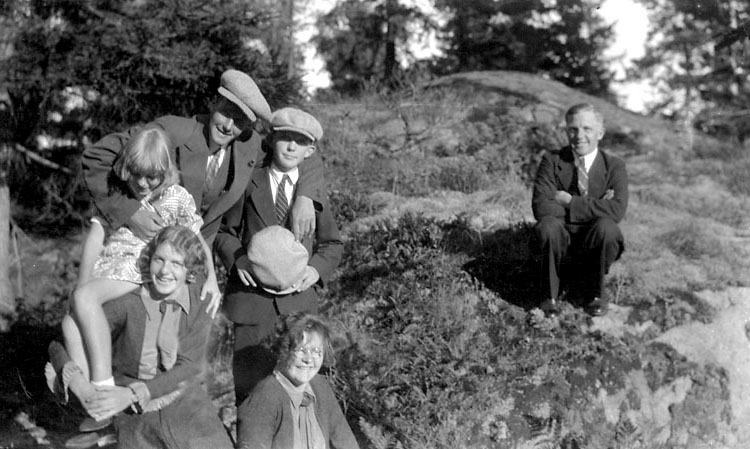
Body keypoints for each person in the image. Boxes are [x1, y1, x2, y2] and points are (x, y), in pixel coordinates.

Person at [81, 69, 327, 246]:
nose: (228, 126)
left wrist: (305, 197)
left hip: (196, 258)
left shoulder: (248, 145)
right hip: (145, 249)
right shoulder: (173, 130)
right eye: (226, 113)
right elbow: (97, 156)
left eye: (239, 121)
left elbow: (295, 154)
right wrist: (131, 213)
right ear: (214, 103)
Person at [47, 226, 234, 449]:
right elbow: (63, 338)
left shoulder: (201, 299)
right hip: (133, 412)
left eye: (176, 263)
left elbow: (190, 365)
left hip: (184, 402)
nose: (164, 271)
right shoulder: (128, 302)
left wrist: (134, 394)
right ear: (149, 260)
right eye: (159, 260)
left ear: (189, 271)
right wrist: (80, 385)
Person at [72, 127, 220, 400]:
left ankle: (103, 386)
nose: (141, 183)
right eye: (135, 174)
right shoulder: (119, 195)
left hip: (139, 265)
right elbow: (95, 237)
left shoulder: (175, 197)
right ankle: (85, 393)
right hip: (110, 264)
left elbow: (197, 238)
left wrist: (212, 277)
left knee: (84, 299)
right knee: (72, 321)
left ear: (165, 171)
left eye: (151, 176)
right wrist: (83, 283)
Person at [215, 107, 343, 404]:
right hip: (252, 305)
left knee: (304, 395)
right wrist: (238, 259)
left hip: (298, 304)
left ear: (310, 151)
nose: (291, 147)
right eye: (285, 138)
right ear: (272, 140)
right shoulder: (249, 181)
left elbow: (332, 243)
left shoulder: (313, 194)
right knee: (252, 395)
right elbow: (223, 230)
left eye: (300, 142)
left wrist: (315, 270)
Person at [531, 103, 628, 317]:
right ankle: (549, 296)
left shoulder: (614, 166)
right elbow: (542, 207)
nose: (579, 136)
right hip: (558, 242)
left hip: (593, 243)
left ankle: (594, 294)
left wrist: (569, 202)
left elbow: (616, 210)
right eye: (573, 129)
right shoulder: (552, 160)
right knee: (548, 225)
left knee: (607, 228)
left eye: (587, 129)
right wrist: (597, 206)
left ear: (600, 133)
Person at [235, 313, 359, 449]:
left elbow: (346, 442)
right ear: (283, 351)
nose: (308, 359)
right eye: (301, 350)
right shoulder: (265, 396)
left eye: (316, 351)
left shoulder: (320, 386)